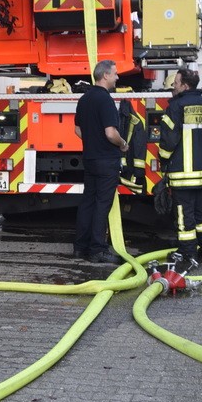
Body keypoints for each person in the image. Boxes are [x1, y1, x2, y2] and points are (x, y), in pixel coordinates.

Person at [158, 68, 202, 264]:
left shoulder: (176, 106)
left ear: (185, 85)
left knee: (184, 216)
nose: (173, 85)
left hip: (182, 173)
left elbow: (168, 140)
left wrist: (163, 160)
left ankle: (187, 253)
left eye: (176, 82)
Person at [74, 60, 129, 263]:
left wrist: (91, 141)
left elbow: (77, 130)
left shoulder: (84, 98)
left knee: (88, 202)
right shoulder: (105, 100)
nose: (117, 77)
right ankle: (98, 250)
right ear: (105, 75)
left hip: (89, 158)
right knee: (102, 204)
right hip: (107, 160)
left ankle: (80, 247)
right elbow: (110, 132)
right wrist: (123, 144)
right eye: (114, 73)